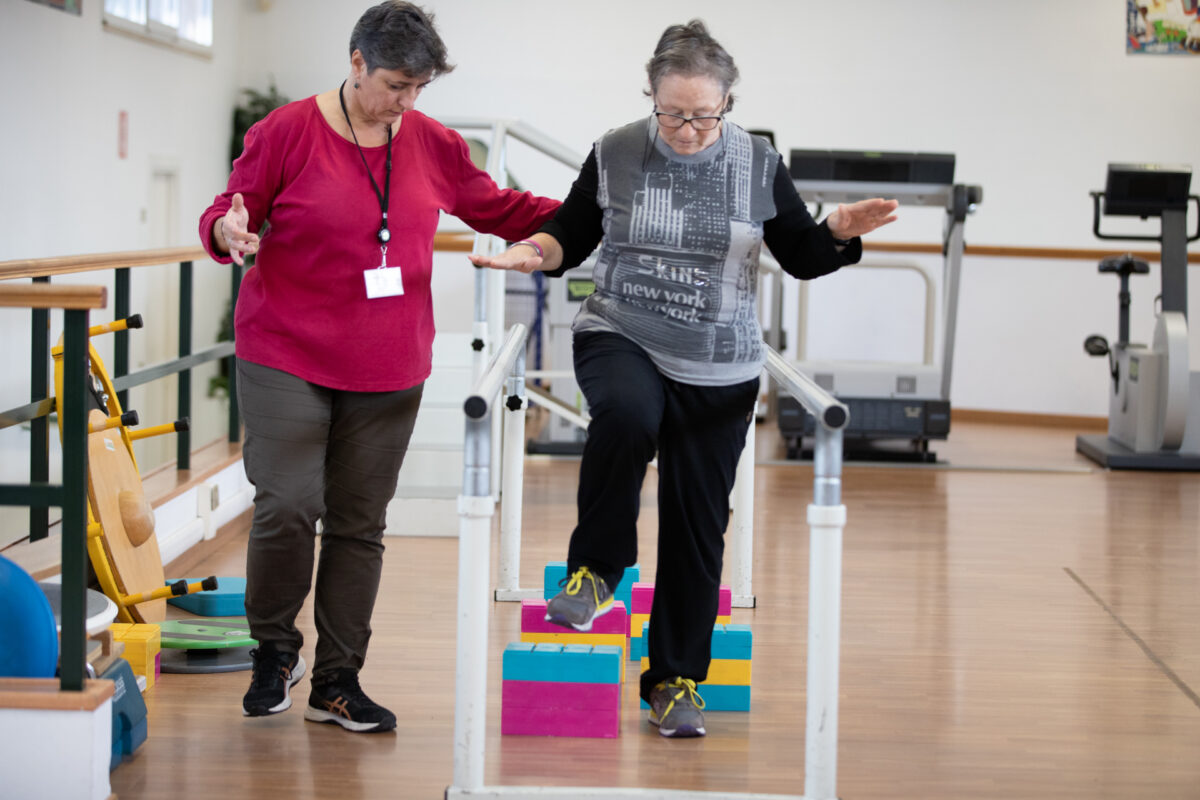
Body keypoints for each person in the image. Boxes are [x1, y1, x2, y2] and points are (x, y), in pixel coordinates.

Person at [470, 19, 897, 738]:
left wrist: (836, 232)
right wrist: (531, 253)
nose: (688, 130)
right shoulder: (616, 150)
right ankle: (596, 571)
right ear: (651, 98)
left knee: (698, 526)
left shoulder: (757, 161)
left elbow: (800, 255)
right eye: (672, 114)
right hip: (623, 331)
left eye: (703, 115)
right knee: (626, 416)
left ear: (728, 102)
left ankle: (673, 683)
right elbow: (571, 232)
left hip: (719, 361)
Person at [199, 1, 559, 733]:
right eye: (397, 84)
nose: (407, 102)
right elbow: (228, 212)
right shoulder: (285, 131)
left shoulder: (433, 143)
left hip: (389, 363)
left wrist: (594, 211)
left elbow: (499, 208)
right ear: (357, 62)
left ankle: (337, 681)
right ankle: (275, 650)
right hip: (286, 350)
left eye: (420, 88)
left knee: (359, 524)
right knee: (287, 505)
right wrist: (227, 230)